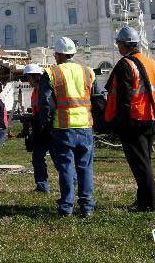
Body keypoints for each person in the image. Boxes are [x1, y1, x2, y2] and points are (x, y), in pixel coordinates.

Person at [105, 27, 155, 213]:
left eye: (118, 44)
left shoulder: (125, 64)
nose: (118, 47)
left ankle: (148, 203)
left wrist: (118, 124)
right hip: (152, 117)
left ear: (123, 44)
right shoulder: (152, 63)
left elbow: (124, 99)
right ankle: (143, 200)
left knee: (140, 164)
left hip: (134, 120)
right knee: (144, 161)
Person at [38, 37, 96, 217]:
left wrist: (45, 124)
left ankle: (66, 206)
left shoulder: (52, 73)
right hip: (85, 125)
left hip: (63, 127)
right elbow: (95, 97)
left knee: (66, 167)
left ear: (57, 54)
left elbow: (45, 103)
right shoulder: (88, 72)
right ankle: (87, 206)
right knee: (85, 167)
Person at [21, 63, 52, 192]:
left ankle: (72, 183)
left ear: (34, 76)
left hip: (48, 128)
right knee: (38, 157)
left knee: (58, 158)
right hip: (39, 128)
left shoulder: (44, 89)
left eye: (28, 78)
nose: (28, 81)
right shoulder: (36, 91)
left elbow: (46, 108)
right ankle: (42, 185)